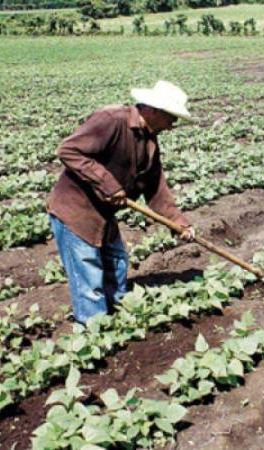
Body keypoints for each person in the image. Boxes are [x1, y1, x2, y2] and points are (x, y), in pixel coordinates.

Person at [47, 80, 195, 325]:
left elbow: (156, 189)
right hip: (76, 211)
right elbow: (68, 150)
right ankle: (93, 333)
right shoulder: (112, 120)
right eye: (171, 118)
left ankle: (120, 317)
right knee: (88, 276)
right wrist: (107, 183)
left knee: (116, 264)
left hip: (104, 214)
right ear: (155, 110)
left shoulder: (149, 141)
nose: (173, 125)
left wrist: (179, 223)